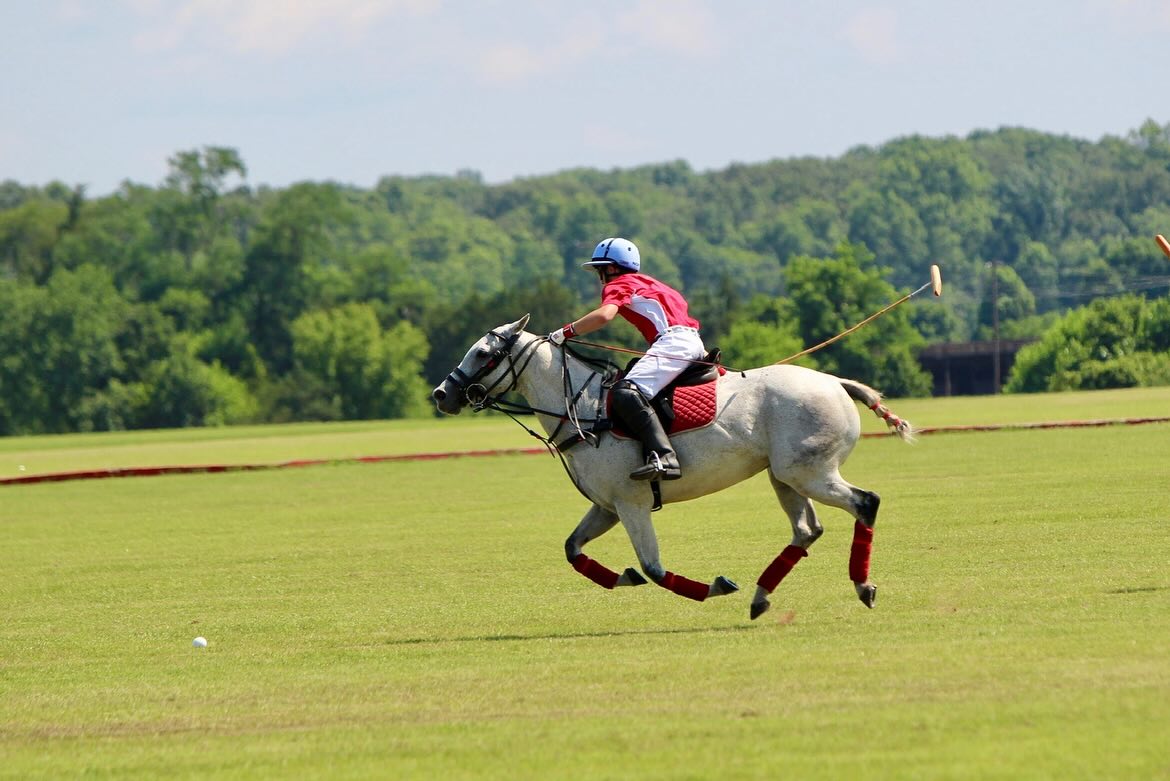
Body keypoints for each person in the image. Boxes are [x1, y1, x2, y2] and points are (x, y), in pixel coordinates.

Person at [548, 237, 705, 482]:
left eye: (599, 270)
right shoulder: (653, 284)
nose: (599, 277)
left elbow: (604, 315)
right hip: (693, 342)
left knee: (625, 392)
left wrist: (564, 333)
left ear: (611, 268)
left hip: (674, 343)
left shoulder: (619, 283)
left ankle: (665, 457)